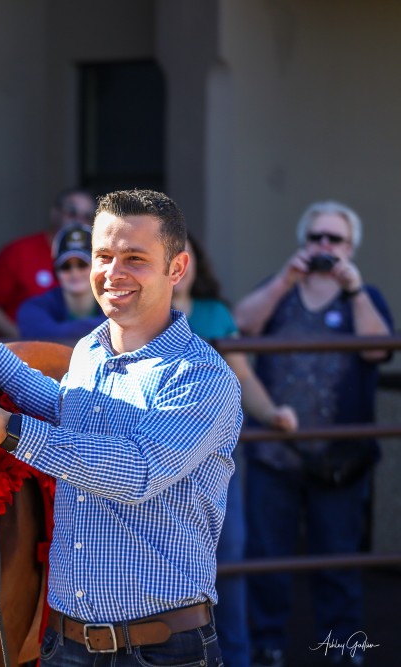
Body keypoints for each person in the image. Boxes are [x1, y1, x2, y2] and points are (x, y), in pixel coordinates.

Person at [0, 189, 242, 666]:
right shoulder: (91, 351)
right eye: (103, 256)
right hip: (66, 644)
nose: (113, 273)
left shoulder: (202, 375)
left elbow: (139, 471)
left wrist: (8, 430)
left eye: (135, 258)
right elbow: (64, 408)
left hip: (161, 651)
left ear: (176, 269)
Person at [232, 201, 393, 667]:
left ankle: (343, 648)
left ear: (351, 247)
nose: (324, 247)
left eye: (334, 239)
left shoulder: (364, 295)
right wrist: (285, 280)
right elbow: (241, 325)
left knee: (338, 560)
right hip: (274, 452)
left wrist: (354, 288)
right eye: (316, 238)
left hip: (342, 457)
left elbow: (379, 350)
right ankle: (267, 647)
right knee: (267, 558)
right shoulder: (279, 287)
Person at [172, 234, 298, 667]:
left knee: (229, 562)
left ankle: (236, 658)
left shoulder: (215, 313)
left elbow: (242, 377)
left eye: (183, 256)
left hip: (215, 465)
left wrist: (272, 413)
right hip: (158, 461)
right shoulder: (135, 315)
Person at [0, 187, 95, 338]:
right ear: (55, 213)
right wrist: (22, 342)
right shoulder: (18, 251)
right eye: (72, 212)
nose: (79, 220)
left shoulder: (101, 255)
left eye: (87, 216)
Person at [16, 222, 106, 341]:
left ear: (98, 267)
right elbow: (47, 335)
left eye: (82, 264)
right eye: (66, 266)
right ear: (56, 272)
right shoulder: (32, 308)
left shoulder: (117, 304)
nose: (75, 273)